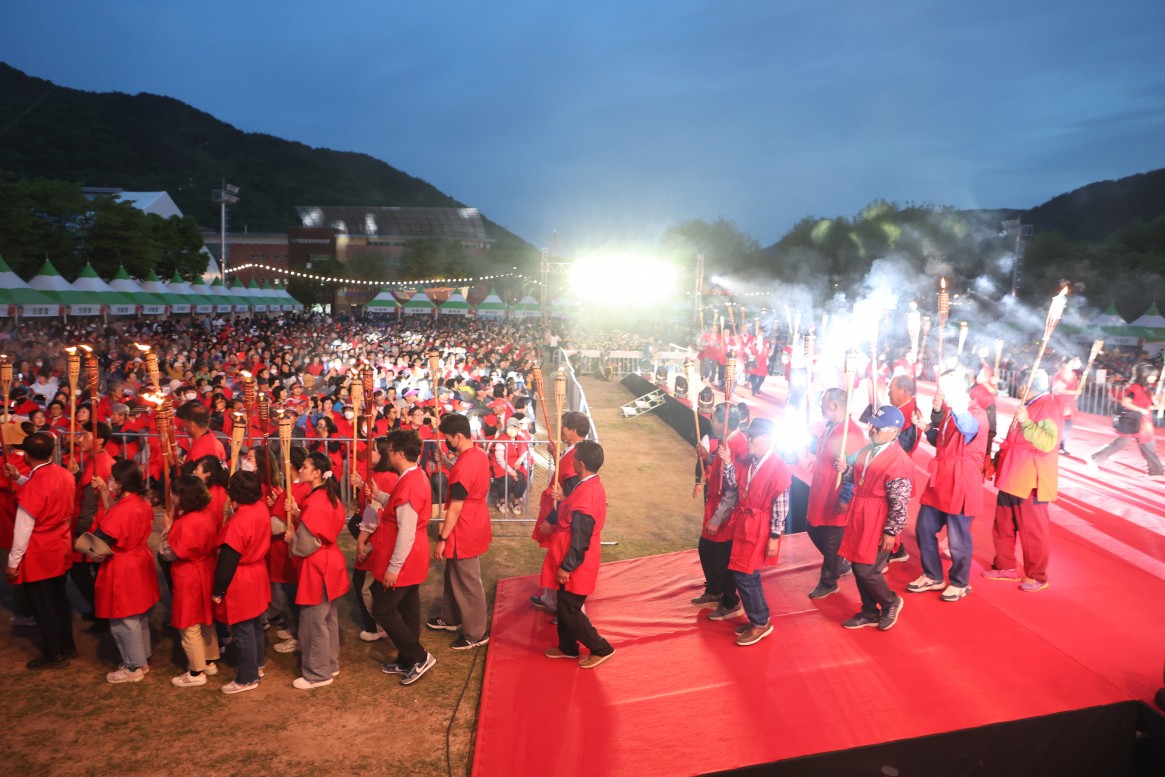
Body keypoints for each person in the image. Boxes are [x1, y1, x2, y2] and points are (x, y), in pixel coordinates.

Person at [908, 369, 988, 602]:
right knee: (924, 527)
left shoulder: (975, 413)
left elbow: (967, 428)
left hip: (961, 481)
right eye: (941, 387)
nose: (942, 392)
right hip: (941, 479)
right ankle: (933, 575)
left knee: (958, 537)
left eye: (946, 387)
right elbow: (942, 442)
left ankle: (960, 582)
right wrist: (924, 426)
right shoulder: (951, 412)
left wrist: (954, 402)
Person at [4, 432, 78, 670]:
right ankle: (67, 645)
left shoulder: (37, 484)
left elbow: (23, 529)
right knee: (58, 599)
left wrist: (13, 562)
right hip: (59, 543)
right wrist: (19, 478)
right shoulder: (64, 474)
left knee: (43, 604)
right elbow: (44, 492)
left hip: (41, 550)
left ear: (26, 454)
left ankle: (54, 651)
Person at [369, 429, 436, 686]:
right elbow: (401, 509)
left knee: (384, 609)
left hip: (405, 555)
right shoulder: (414, 476)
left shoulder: (410, 482)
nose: (388, 455)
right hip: (412, 553)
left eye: (389, 451)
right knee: (408, 606)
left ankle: (418, 656)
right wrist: (380, 496)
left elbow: (406, 529)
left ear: (398, 454)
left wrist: (394, 567)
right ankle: (408, 658)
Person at [836, 406, 912, 631]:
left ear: (894, 431)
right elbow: (860, 476)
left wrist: (891, 531)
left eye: (879, 427)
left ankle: (890, 602)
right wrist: (846, 469)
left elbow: (899, 502)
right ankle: (869, 611)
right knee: (858, 563)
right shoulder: (869, 449)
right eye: (872, 425)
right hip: (861, 513)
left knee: (866, 570)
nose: (873, 430)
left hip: (878, 518)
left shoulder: (898, 461)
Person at [983, 369, 1059, 592]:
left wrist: (1026, 422)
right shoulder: (1030, 405)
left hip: (1029, 478)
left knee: (1032, 530)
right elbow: (1011, 440)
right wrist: (996, 463)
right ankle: (1005, 565)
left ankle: (1037, 574)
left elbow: (1047, 442)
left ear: (1026, 387)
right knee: (1003, 524)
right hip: (1012, 473)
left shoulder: (1047, 406)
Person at [541, 440, 615, 668]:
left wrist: (567, 566)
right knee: (564, 602)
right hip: (570, 551)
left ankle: (601, 647)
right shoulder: (585, 486)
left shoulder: (588, 493)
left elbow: (581, 536)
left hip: (577, 558)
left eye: (573, 458)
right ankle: (567, 646)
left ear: (579, 463)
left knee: (570, 607)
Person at [722, 418, 791, 647]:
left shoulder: (778, 467)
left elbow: (781, 504)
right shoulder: (751, 461)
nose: (749, 440)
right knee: (747, 573)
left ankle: (760, 622)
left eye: (754, 436)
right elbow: (735, 485)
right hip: (746, 522)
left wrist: (774, 536)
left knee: (744, 573)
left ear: (768, 439)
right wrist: (727, 462)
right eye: (749, 435)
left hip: (760, 524)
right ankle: (760, 618)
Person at [91, 460, 161, 683]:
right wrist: (104, 491)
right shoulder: (142, 502)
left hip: (122, 566)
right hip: (139, 560)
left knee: (123, 620)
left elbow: (102, 542)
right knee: (138, 617)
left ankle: (133, 667)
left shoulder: (123, 510)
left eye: (113, 479)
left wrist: (88, 551)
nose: (110, 482)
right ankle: (141, 660)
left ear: (121, 482)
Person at [427, 413, 491, 650]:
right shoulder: (477, 455)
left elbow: (455, 506)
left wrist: (442, 538)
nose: (447, 442)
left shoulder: (465, 463)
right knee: (453, 573)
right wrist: (446, 461)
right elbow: (465, 476)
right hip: (472, 519)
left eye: (448, 438)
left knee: (468, 579)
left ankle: (476, 632)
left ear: (459, 436)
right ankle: (452, 617)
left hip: (465, 524)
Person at [287, 450, 350, 689]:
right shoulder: (329, 496)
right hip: (329, 561)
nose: (300, 470)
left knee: (314, 622)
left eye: (304, 467)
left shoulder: (315, 501)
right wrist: (298, 514)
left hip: (317, 565)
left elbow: (306, 543)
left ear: (316, 473)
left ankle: (318, 672)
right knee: (327, 618)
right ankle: (329, 663)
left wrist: (293, 538)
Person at [213, 470, 272, 694]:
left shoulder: (239, 522)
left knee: (244, 629)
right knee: (256, 625)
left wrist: (218, 590)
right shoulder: (260, 509)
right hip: (257, 572)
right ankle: (257, 664)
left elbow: (228, 560)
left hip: (243, 577)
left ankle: (247, 677)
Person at [804, 388, 863, 600]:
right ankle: (839, 563)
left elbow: (856, 469)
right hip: (822, 489)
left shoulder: (851, 432)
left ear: (835, 405)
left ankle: (829, 581)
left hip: (836, 490)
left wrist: (846, 497)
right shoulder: (831, 426)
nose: (821, 405)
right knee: (812, 527)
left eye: (824, 402)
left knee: (831, 538)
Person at [691, 403, 748, 621]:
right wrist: (708, 457)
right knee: (706, 549)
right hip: (716, 506)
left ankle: (730, 602)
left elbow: (733, 489)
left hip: (725, 513)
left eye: (714, 418)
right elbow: (722, 468)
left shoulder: (738, 445)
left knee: (720, 556)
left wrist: (717, 519)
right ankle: (714, 590)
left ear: (723, 423)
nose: (711, 421)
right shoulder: (728, 441)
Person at [530, 411, 590, 614]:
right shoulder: (572, 451)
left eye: (564, 427)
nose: (561, 430)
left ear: (573, 430)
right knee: (554, 559)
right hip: (560, 514)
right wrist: (557, 456)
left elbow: (571, 495)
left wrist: (551, 519)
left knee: (561, 561)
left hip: (565, 519)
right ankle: (552, 600)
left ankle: (569, 609)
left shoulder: (578, 456)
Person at [164, 475, 221, 687]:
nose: (172, 496)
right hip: (205, 569)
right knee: (205, 617)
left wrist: (168, 530)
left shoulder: (186, 523)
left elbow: (170, 552)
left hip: (189, 573)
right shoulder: (207, 514)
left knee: (189, 623)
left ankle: (197, 672)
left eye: (175, 493)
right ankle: (210, 660)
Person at [351, 437, 399, 643]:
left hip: (375, 538)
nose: (368, 453)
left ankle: (378, 626)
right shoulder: (377, 474)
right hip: (371, 535)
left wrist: (363, 540)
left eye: (373, 450)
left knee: (366, 584)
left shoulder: (385, 477)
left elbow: (375, 511)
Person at [70, 422, 115, 633]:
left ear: (99, 440)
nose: (79, 439)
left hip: (93, 527)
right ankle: (101, 610)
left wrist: (80, 533)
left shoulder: (99, 464)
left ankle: (103, 612)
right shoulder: (100, 461)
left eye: (84, 435)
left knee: (83, 569)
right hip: (98, 524)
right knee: (96, 571)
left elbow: (89, 505)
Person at [1088, 362, 1163, 479]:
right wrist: (1142, 410)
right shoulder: (1135, 388)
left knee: (1149, 446)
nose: (1155, 378)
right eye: (1153, 375)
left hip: (1144, 423)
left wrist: (1157, 406)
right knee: (1120, 443)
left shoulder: (1148, 389)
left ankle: (1155, 471)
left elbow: (1146, 406)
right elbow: (1125, 403)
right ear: (1144, 375)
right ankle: (1095, 458)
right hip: (1131, 420)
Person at [1051, 356, 1081, 455]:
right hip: (1061, 405)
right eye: (1075, 360)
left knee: (1066, 426)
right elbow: (1057, 390)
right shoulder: (1062, 374)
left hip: (1068, 405)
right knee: (1061, 426)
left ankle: (1060, 446)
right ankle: (1056, 445)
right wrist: (1074, 392)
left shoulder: (1072, 374)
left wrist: (1075, 394)